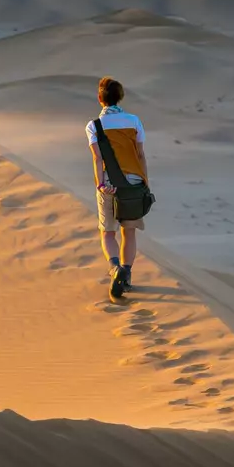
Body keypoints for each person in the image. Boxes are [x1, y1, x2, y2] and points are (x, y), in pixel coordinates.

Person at [86, 77, 148, 300]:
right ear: (120, 97)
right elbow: (140, 154)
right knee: (128, 232)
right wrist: (144, 183)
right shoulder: (134, 121)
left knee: (108, 232)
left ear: (99, 98)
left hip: (109, 184)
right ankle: (127, 275)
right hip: (133, 183)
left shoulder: (94, 126)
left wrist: (101, 184)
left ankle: (115, 269)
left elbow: (97, 158)